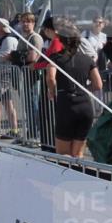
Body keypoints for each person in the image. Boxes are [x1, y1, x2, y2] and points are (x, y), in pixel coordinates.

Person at [45, 19, 103, 158]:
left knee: (63, 154)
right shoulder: (87, 59)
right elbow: (98, 85)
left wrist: (52, 91)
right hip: (85, 105)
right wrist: (84, 88)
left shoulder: (56, 58)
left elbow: (51, 78)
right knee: (78, 154)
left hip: (67, 104)